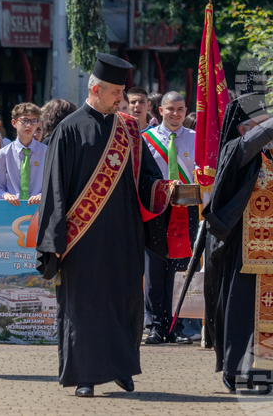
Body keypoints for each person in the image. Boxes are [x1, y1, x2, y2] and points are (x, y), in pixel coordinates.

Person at [36, 54, 176, 397]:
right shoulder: (68, 129)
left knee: (124, 301)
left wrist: (164, 190)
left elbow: (146, 177)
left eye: (123, 93)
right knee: (84, 306)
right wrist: (53, 240)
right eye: (116, 92)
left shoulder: (128, 128)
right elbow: (54, 187)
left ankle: (122, 368)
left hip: (124, 233)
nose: (122, 99)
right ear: (96, 89)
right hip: (81, 238)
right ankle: (85, 376)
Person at [203, 97, 273, 394]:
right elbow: (248, 146)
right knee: (244, 317)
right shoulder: (236, 153)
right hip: (246, 254)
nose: (270, 132)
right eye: (262, 125)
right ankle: (237, 371)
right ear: (244, 129)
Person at [140, 91, 199, 345]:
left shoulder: (197, 139)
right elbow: (141, 177)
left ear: (185, 111)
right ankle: (156, 325)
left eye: (180, 109)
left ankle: (177, 324)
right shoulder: (146, 140)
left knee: (181, 269)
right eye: (170, 109)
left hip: (187, 211)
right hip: (156, 210)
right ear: (160, 110)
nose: (175, 114)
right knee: (154, 270)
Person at [0, 102, 47, 205]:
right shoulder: (4, 153)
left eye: (34, 121)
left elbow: (53, 185)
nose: (29, 125)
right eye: (24, 121)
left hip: (38, 208)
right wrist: (6, 195)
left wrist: (42, 195)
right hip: (12, 208)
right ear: (14, 123)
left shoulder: (46, 152)